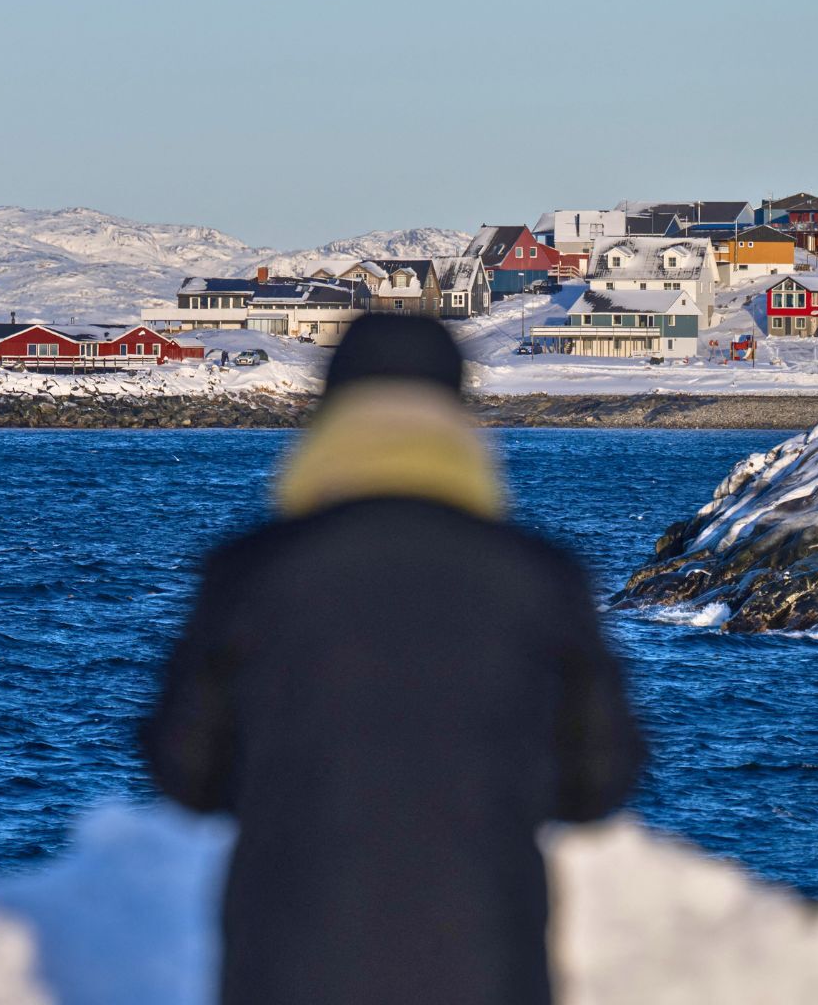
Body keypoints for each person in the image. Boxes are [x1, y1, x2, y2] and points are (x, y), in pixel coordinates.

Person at [142, 313, 644, 1005]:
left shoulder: (251, 570)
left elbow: (185, 769)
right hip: (484, 955)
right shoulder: (538, 576)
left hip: (291, 955)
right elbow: (599, 780)